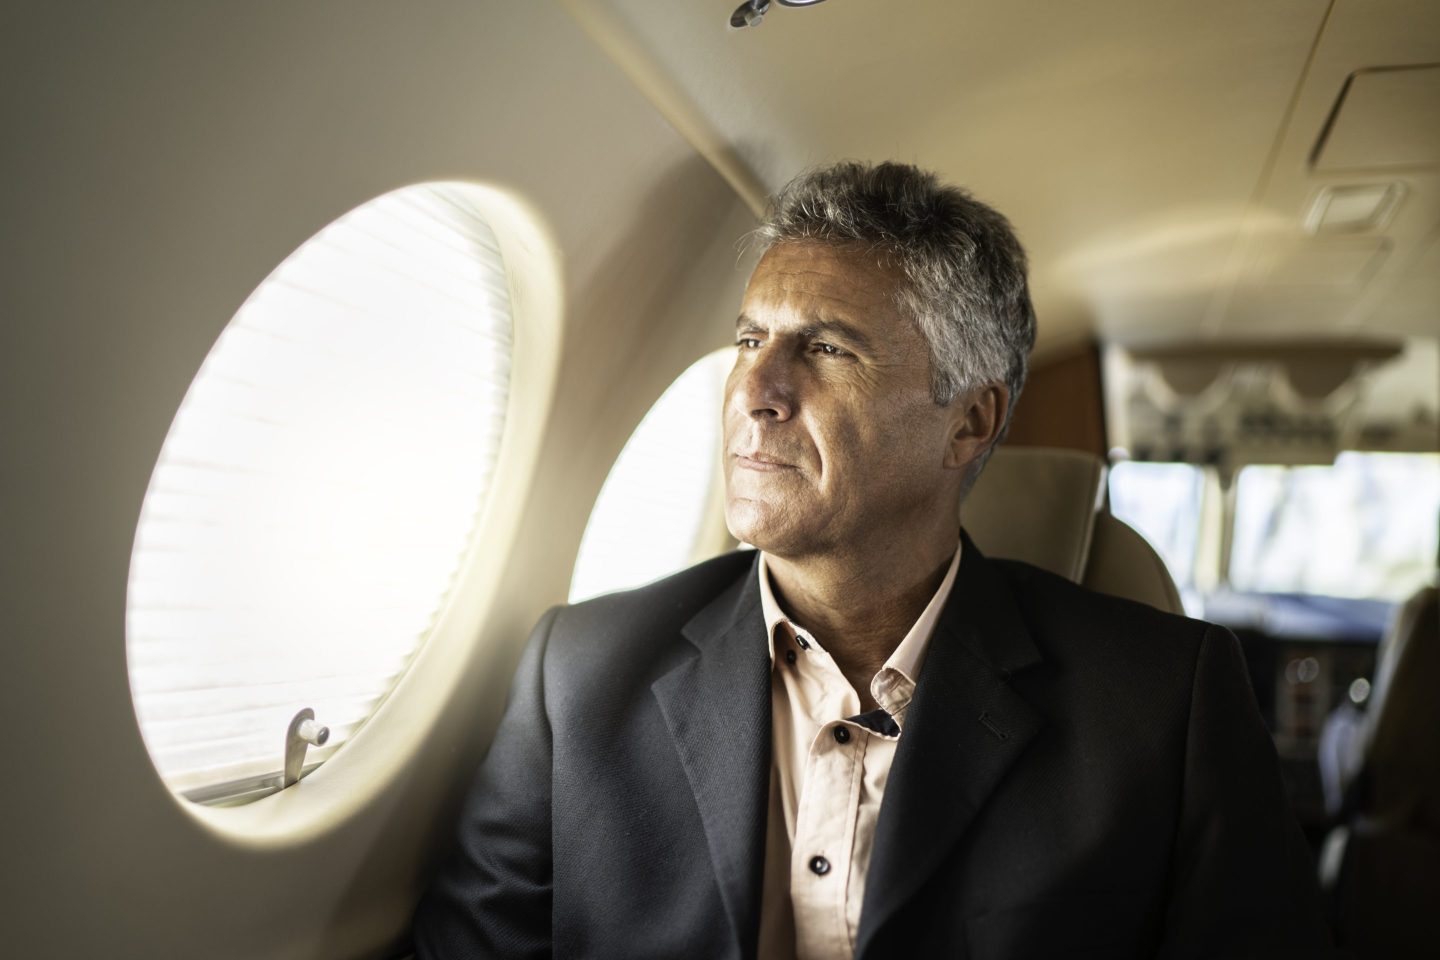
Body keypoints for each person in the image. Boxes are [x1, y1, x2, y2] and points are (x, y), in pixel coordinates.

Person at [413, 162, 1334, 959]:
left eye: (824, 347)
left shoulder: (1161, 705)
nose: (755, 390)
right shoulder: (577, 675)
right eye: (748, 340)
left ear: (968, 421)